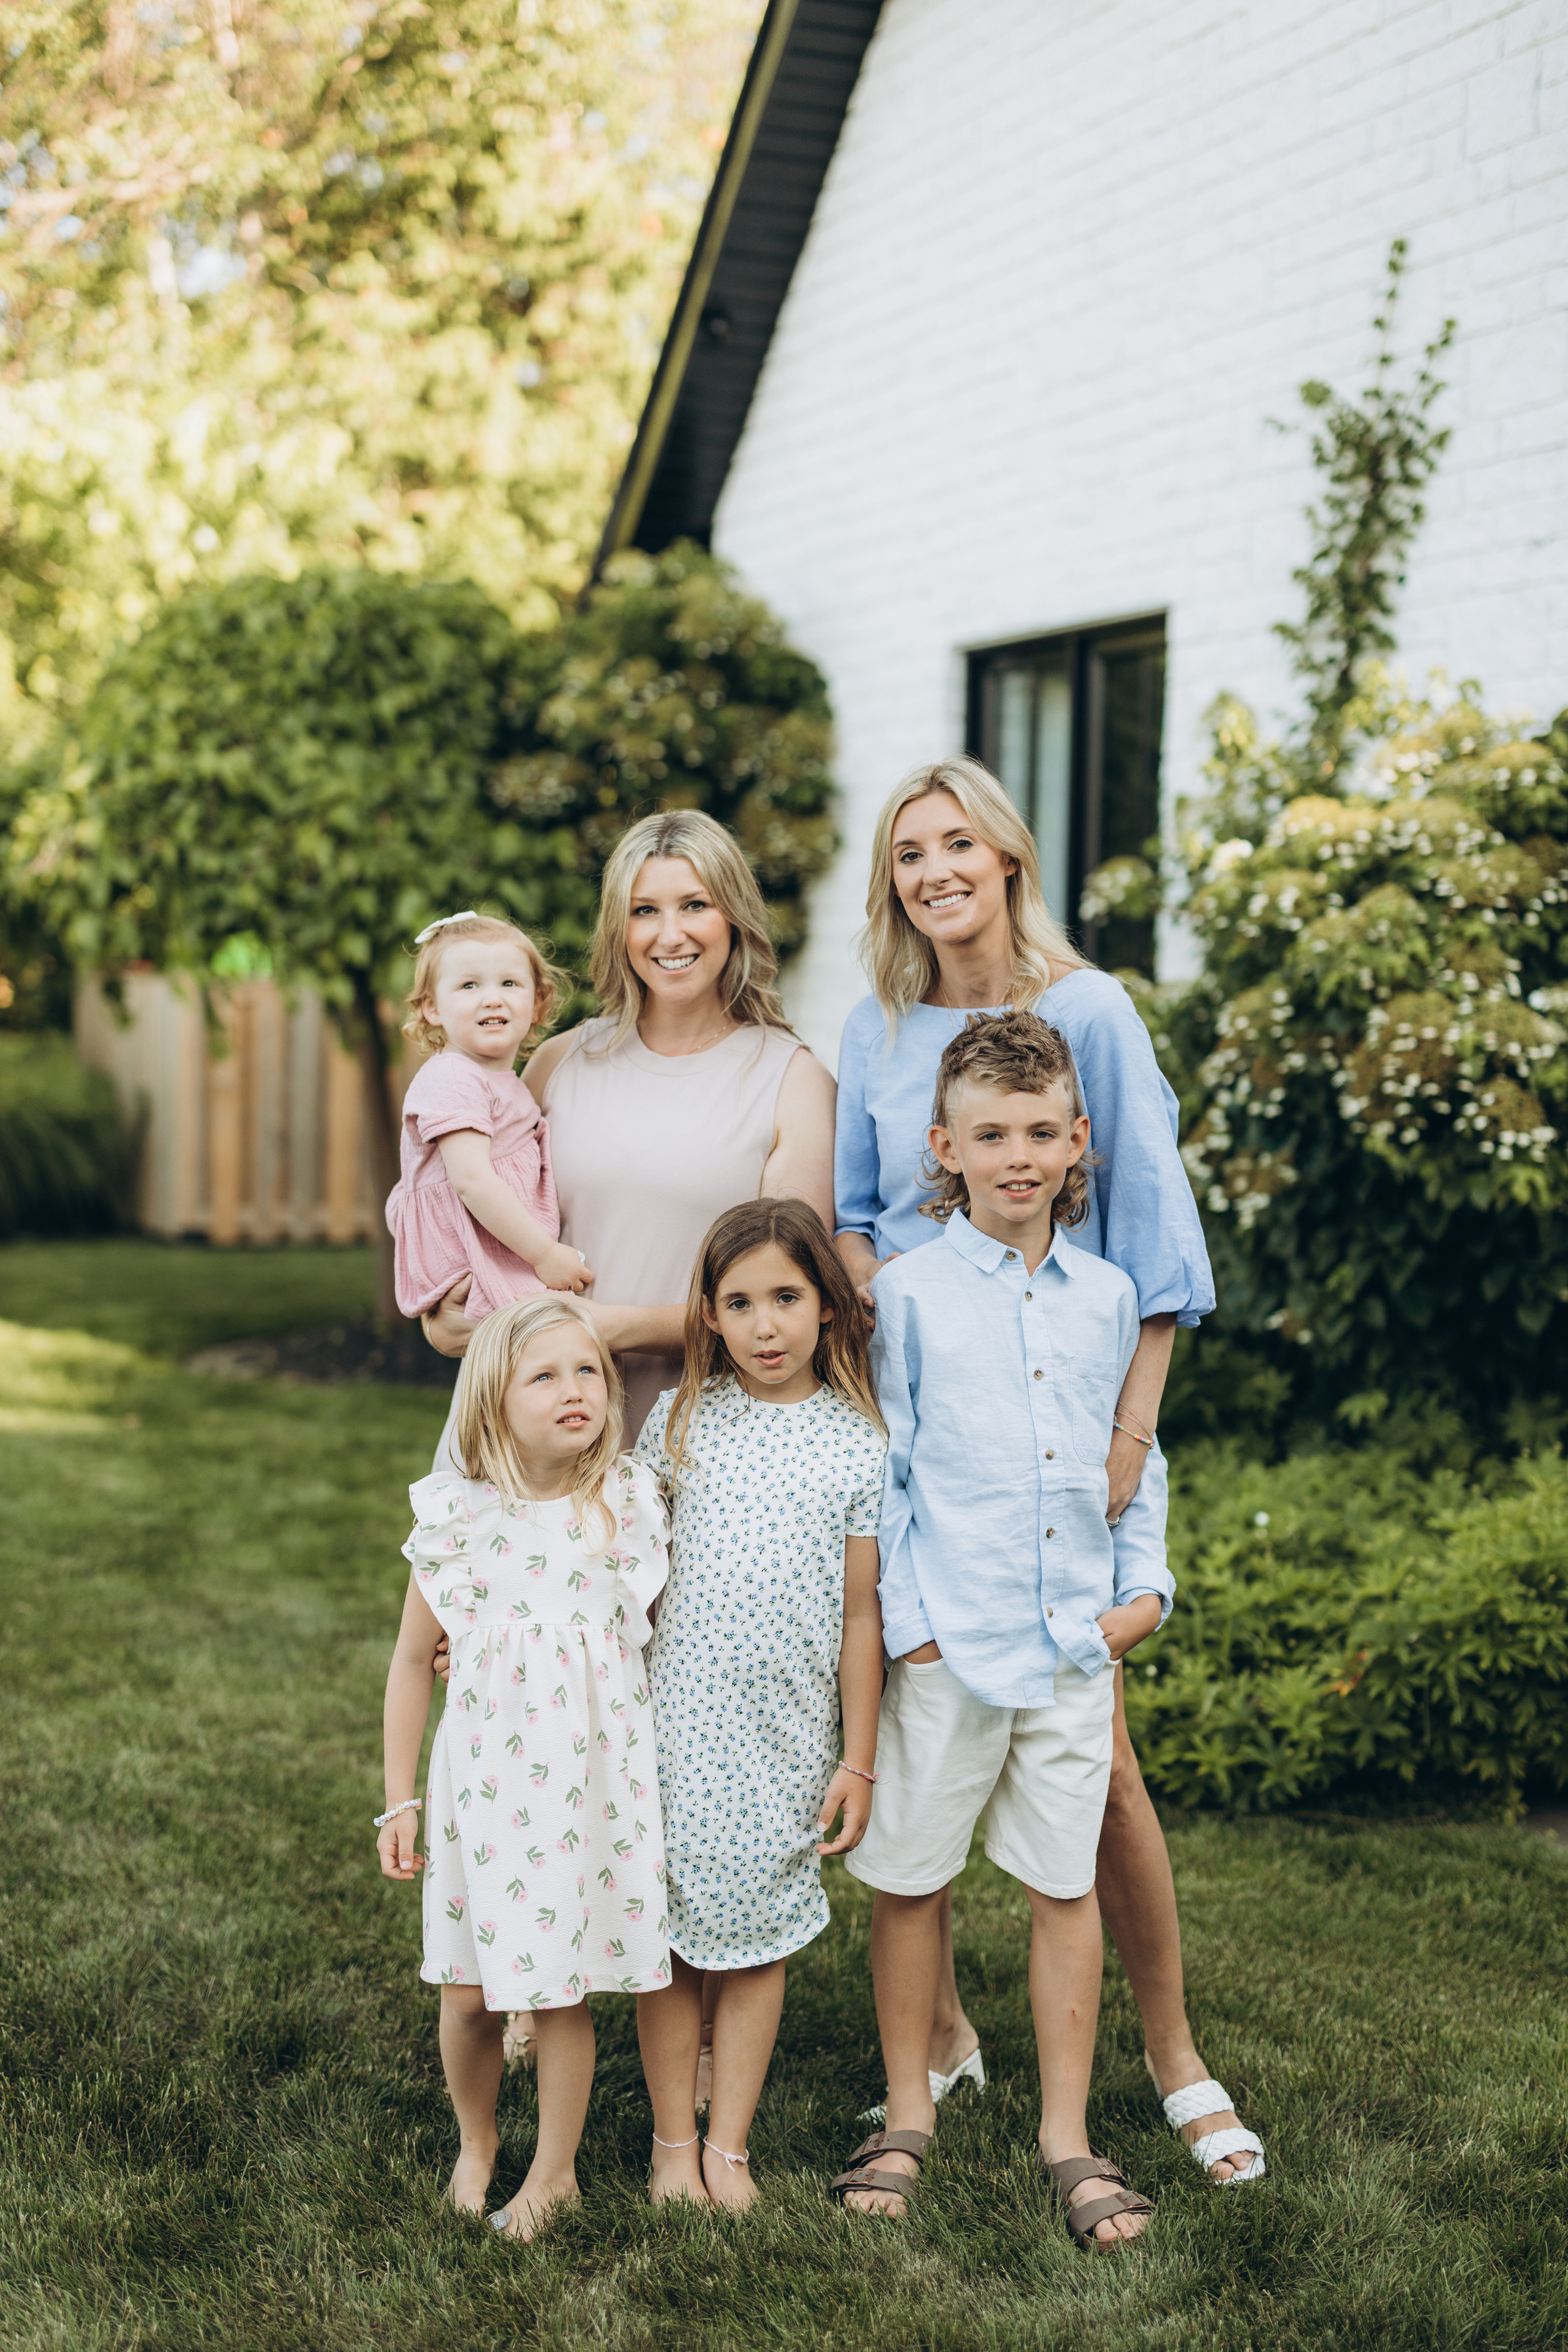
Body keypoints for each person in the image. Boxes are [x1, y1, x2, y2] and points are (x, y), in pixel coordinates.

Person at [834, 756, 1265, 2188]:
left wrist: (1121, 1448)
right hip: (927, 1415)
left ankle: (1169, 2052)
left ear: (1007, 852)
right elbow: (854, 1220)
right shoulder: (882, 1025)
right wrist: (877, 1373)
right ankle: (936, 2046)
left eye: (959, 840)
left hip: (1074, 1421)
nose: (935, 869)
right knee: (929, 1739)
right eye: (909, 851)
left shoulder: (1088, 1010)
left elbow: (1150, 1239)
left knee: (1097, 1774)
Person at [422, 810, 837, 2084]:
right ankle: (523, 1973)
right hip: (539, 1438)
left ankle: (703, 2021)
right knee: (522, 1711)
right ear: (616, 927)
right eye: (645, 909)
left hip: (701, 1431)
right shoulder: (553, 1068)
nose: (670, 934)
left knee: (678, 1728)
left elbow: (793, 1276)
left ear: (734, 922)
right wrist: (458, 1308)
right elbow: (478, 1234)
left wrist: (623, 1326)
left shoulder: (788, 1074)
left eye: (695, 907)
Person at [832, 1012, 1166, 2247]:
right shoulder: (907, 1297)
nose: (1016, 1155)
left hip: (1074, 1645)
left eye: (1039, 1132)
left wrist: (1143, 1592)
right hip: (948, 1647)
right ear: (943, 1146)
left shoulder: (1108, 1298)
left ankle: (1065, 2134)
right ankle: (907, 2109)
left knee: (1060, 1882)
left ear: (1077, 1141)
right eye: (989, 1134)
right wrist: (910, 1628)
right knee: (913, 1878)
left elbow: (1132, 1459)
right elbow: (888, 1470)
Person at [376, 1296, 672, 2239]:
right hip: (487, 1797)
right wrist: (399, 1802)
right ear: (493, 1402)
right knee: (466, 1995)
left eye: (587, 1370)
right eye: (542, 1376)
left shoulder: (622, 1505)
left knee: (560, 1990)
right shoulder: (461, 1522)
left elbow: (649, 1642)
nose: (573, 1390)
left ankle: (555, 2175)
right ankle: (477, 2141)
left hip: (587, 1794)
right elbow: (406, 1666)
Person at [631, 1200, 886, 2211]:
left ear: (827, 1305)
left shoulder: (859, 1444)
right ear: (709, 1315)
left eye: (786, 1297)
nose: (766, 1324)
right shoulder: (681, 1421)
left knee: (757, 1936)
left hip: (786, 1735)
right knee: (672, 1936)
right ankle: (669, 2143)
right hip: (675, 1724)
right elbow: (623, 1563)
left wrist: (856, 1759)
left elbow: (862, 1620)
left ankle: (728, 2144)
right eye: (741, 1302)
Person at [387, 912, 589, 1322]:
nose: (492, 998)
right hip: (473, 1254)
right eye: (469, 985)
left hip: (500, 1245)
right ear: (432, 1009)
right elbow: (472, 1181)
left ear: (537, 1004)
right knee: (559, 1337)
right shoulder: (453, 1077)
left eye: (509, 983)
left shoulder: (499, 1079)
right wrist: (545, 1254)